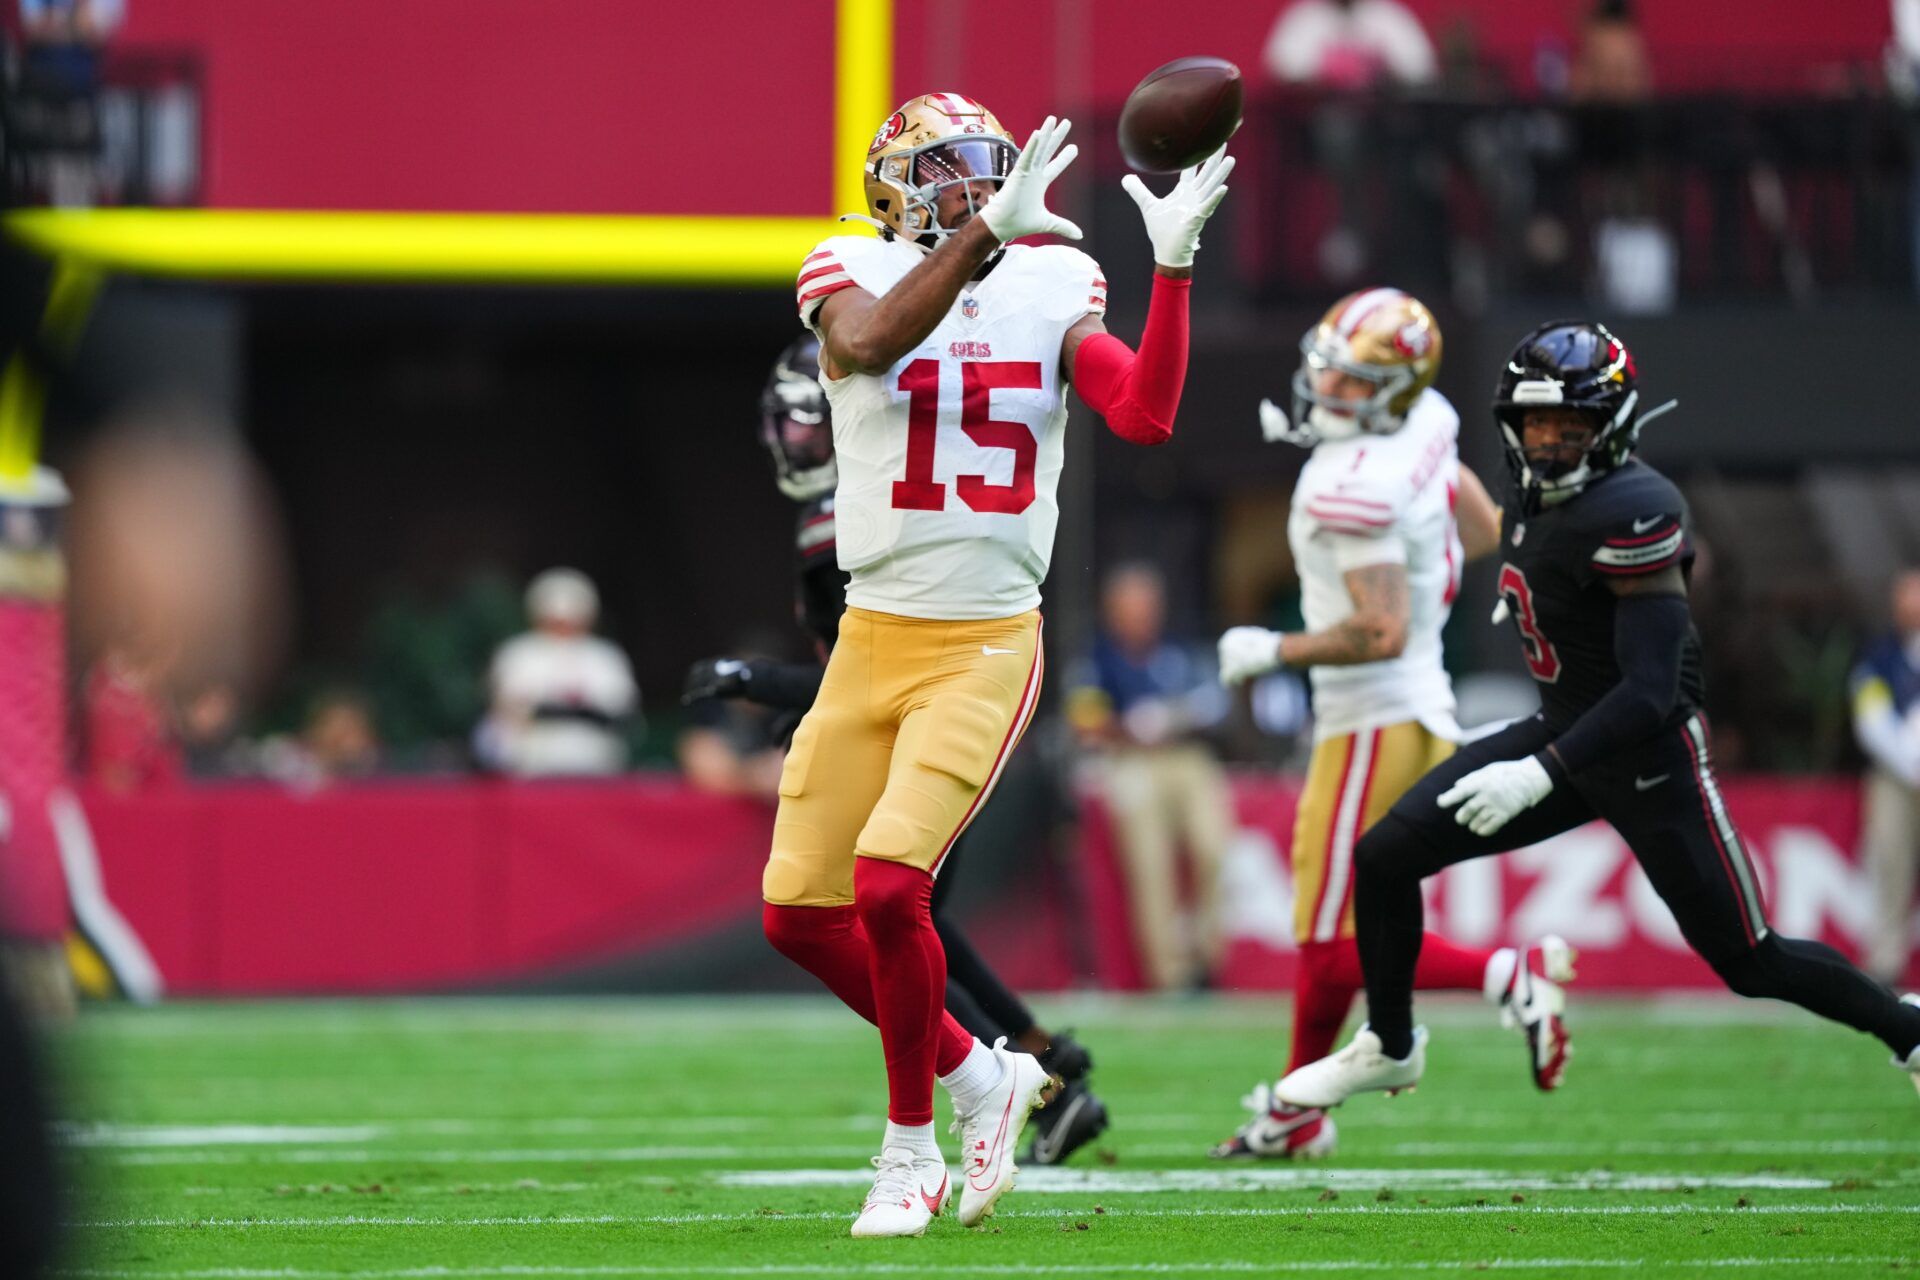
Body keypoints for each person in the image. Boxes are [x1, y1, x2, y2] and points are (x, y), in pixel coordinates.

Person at [765, 94, 1230, 1237]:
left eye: (987, 169)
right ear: (893, 189)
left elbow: (1141, 413)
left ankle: (910, 1147)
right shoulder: (846, 262)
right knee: (795, 913)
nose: (979, 189)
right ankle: (987, 1074)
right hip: (873, 626)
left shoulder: (1053, 281)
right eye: (951, 172)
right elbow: (870, 343)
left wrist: (1170, 273)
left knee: (886, 885)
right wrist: (981, 239)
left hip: (983, 636)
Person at [1275, 320, 1920, 1113]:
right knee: (1383, 858)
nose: (1547, 440)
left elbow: (1650, 691)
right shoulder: (1530, 491)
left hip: (1649, 757)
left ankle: (1908, 1031)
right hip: (1566, 731)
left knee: (1752, 962)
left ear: (1609, 427)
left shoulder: (1636, 507)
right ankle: (1392, 1044)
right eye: (1535, 422)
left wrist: (1536, 772)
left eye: (1569, 426)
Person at [685, 336, 1110, 1167]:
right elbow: (857, 679)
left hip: (946, 710)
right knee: (901, 916)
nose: (796, 444)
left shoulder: (858, 516)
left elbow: (882, 666)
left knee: (893, 917)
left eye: (811, 427)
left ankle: (1025, 1083)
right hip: (927, 710)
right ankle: (1039, 1061)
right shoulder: (867, 503)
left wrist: (757, 683)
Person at [1212, 289, 1575, 1161]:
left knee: (1336, 943)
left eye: (1354, 377)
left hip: (1373, 718)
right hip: (1411, 710)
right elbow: (1485, 529)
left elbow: (1381, 629)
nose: (1329, 386)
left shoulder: (1353, 483)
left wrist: (1272, 649)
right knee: (1328, 928)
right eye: (1330, 365)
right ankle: (1298, 1114)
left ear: (1394, 388)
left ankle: (1506, 976)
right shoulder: (1427, 422)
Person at [1069, 563, 1233, 993]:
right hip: (1130, 759)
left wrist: (1177, 717)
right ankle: (1172, 976)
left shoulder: (1178, 651)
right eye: (1131, 606)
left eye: (1147, 606)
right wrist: (1126, 726)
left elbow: (1215, 703)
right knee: (1149, 862)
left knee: (1213, 846)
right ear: (1112, 610)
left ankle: (1208, 958)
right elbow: (1085, 721)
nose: (1142, 615)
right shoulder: (1095, 658)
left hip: (1184, 756)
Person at [478, 568, 639, 778]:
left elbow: (619, 706)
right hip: (533, 764)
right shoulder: (518, 653)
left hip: (594, 762)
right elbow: (510, 705)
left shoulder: (605, 656)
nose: (563, 628)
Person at [1851, 569, 1920, 984]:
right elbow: (1871, 719)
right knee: (1889, 862)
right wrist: (1912, 765)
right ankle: (1885, 960)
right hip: (1895, 778)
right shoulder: (1879, 657)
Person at [1262, 0, 1438, 91]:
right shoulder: (1305, 17)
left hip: (1385, 116)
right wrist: (1329, 74)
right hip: (1322, 116)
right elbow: (1281, 67)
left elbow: (1420, 69)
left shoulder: (1389, 16)